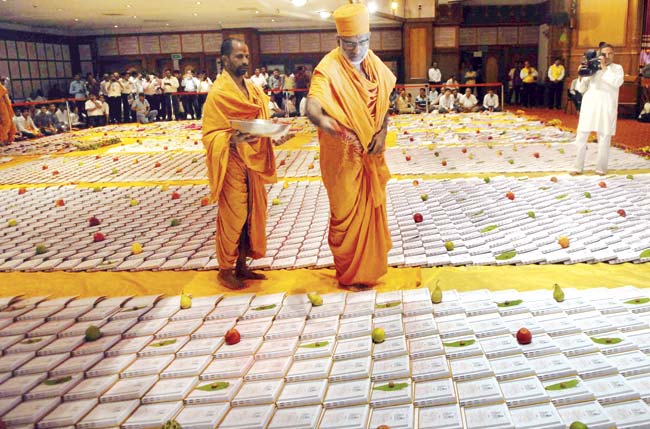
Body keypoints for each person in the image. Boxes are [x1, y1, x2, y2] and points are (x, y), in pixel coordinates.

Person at [306, 3, 395, 289]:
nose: (356, 49)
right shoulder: (328, 68)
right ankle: (349, 274)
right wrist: (328, 124)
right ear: (338, 41)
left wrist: (381, 133)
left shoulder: (375, 64)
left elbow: (385, 107)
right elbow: (312, 107)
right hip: (342, 157)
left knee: (369, 210)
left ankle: (367, 272)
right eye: (349, 44)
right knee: (344, 213)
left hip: (370, 153)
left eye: (362, 42)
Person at [202, 38, 290, 290]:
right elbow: (210, 134)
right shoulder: (218, 94)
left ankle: (242, 264)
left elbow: (261, 121)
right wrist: (230, 138)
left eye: (246, 57)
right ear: (225, 59)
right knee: (235, 214)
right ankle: (225, 269)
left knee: (252, 211)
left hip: (252, 157)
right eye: (239, 57)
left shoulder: (252, 89)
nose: (244, 61)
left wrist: (276, 133)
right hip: (231, 160)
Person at [571, 43, 624, 176]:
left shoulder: (617, 68)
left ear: (613, 55)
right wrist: (581, 75)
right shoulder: (592, 67)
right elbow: (580, 89)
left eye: (609, 53)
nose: (606, 56)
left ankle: (601, 169)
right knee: (581, 137)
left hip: (606, 107)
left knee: (604, 138)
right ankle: (577, 167)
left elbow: (617, 83)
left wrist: (604, 68)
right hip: (589, 106)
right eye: (604, 54)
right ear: (599, 55)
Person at [0, 80, 16, 144]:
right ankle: (1, 139)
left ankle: (7, 139)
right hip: (2, 106)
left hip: (6, 105)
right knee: (5, 122)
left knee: (9, 122)